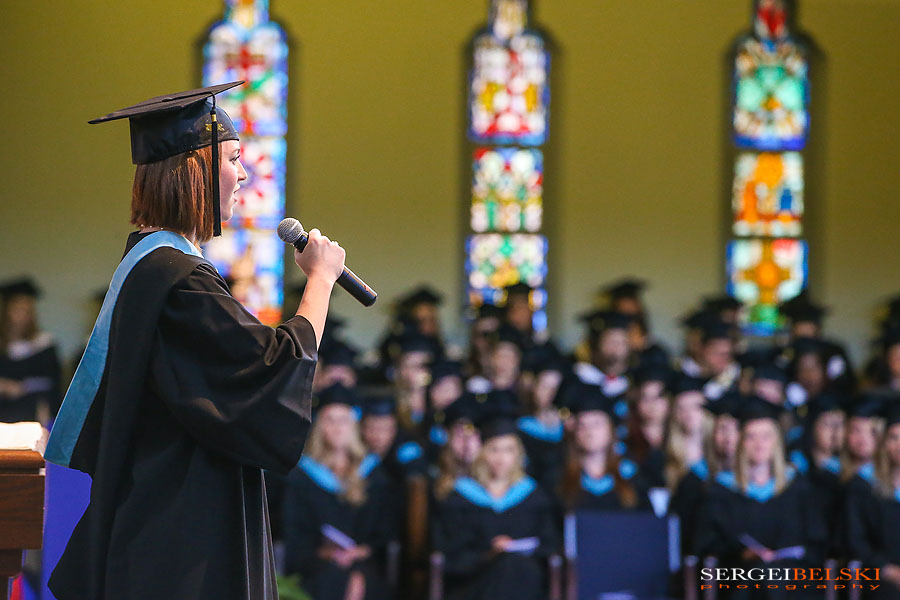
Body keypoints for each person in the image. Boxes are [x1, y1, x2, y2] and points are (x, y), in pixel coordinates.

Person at [43, 82, 346, 600]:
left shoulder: (150, 264)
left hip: (163, 516)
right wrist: (320, 281)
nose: (244, 174)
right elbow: (272, 372)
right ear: (194, 169)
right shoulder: (179, 279)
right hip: (180, 537)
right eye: (233, 159)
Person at [693, 396, 827, 599]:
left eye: (766, 436)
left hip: (794, 582)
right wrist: (742, 554)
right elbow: (707, 547)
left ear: (777, 442)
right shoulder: (721, 491)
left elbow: (816, 544)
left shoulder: (797, 487)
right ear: (741, 442)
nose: (759, 444)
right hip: (741, 581)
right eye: (751, 437)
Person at [283, 384, 396, 600]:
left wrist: (360, 551)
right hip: (317, 563)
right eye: (330, 420)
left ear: (353, 426)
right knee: (334, 580)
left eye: (343, 421)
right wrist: (327, 553)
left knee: (358, 580)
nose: (337, 428)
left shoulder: (373, 473)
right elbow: (296, 534)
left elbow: (383, 532)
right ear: (319, 426)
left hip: (364, 561)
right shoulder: (303, 476)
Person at [432, 418, 559, 600]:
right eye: (494, 449)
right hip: (475, 579)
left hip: (525, 579)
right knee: (504, 566)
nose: (501, 458)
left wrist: (515, 549)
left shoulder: (534, 496)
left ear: (518, 455)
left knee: (513, 565)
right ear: (482, 453)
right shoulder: (460, 497)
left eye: (508, 450)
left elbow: (548, 545)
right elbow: (450, 553)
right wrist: (489, 554)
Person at [556, 381, 652, 512]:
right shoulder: (558, 478)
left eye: (597, 424)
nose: (589, 432)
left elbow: (648, 521)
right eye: (582, 425)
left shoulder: (632, 477)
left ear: (611, 430)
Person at [844, 403, 900, 598]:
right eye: (893, 437)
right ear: (883, 442)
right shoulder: (864, 485)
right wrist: (889, 571)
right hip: (880, 576)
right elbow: (856, 540)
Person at [0, 277, 62, 424]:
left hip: (33, 413)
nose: (22, 316)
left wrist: (22, 387)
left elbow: (53, 384)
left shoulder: (44, 344)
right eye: (17, 309)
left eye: (27, 310)